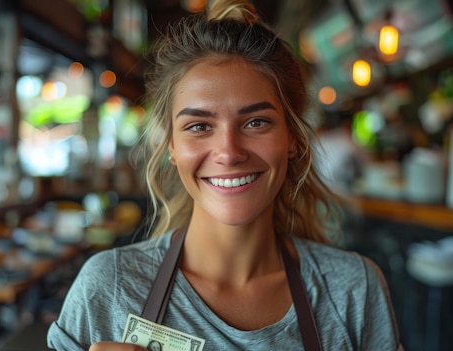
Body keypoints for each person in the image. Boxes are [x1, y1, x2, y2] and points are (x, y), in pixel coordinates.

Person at [47, 0, 403, 350]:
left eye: (256, 122)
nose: (229, 152)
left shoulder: (353, 289)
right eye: (199, 126)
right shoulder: (108, 287)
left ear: (292, 138)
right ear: (172, 146)